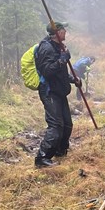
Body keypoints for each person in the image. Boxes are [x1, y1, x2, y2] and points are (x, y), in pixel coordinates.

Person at [33, 21, 81, 167]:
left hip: (59, 91)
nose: (66, 31)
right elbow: (47, 71)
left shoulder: (57, 46)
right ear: (57, 32)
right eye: (63, 29)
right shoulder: (46, 48)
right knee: (56, 125)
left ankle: (60, 151)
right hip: (50, 91)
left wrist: (74, 80)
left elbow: (60, 74)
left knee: (67, 124)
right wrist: (62, 60)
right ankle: (42, 158)